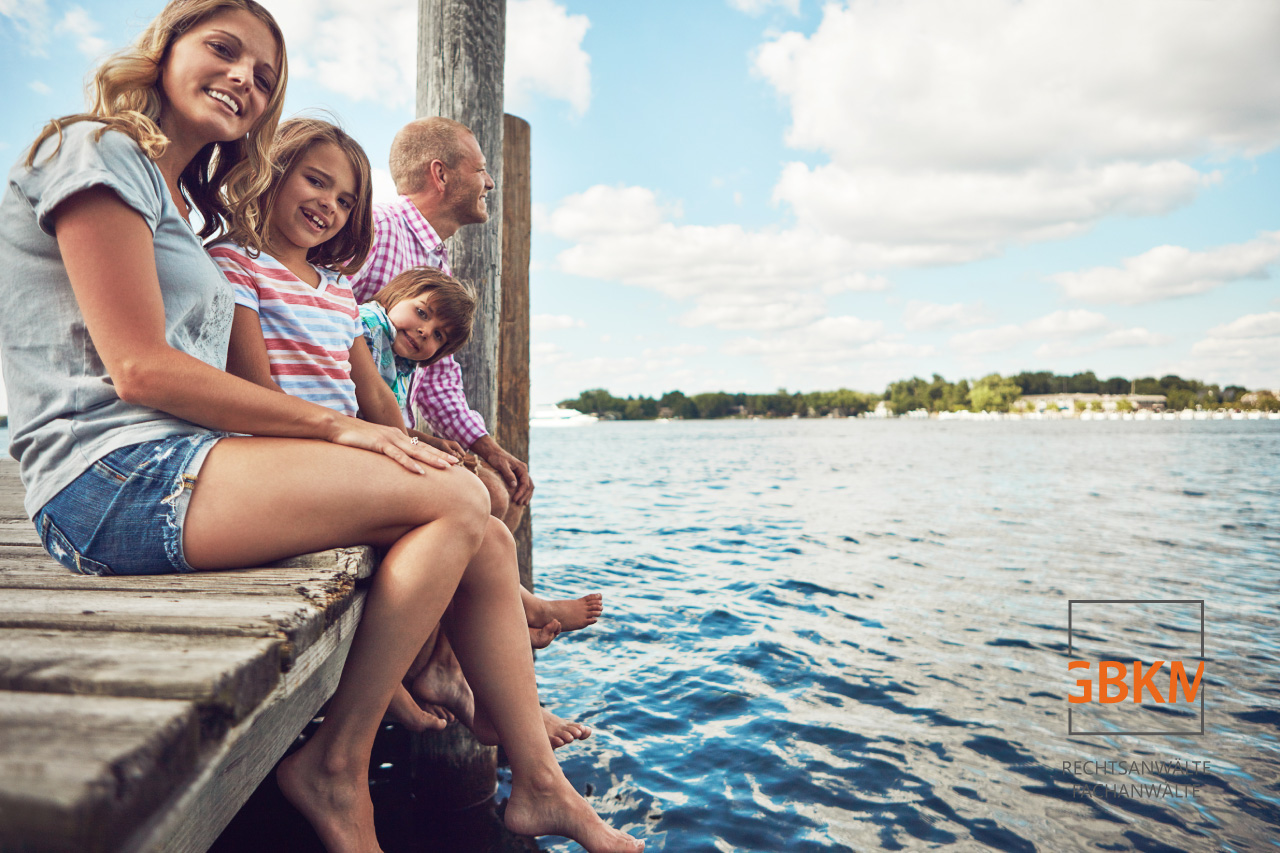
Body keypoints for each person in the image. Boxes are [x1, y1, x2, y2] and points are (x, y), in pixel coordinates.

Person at [0, 3, 643, 852]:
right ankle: (339, 763)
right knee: (454, 497)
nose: (243, 79)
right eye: (222, 50)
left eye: (264, 76)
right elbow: (142, 370)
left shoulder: (166, 200)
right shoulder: (98, 151)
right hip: (106, 482)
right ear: (163, 52)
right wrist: (341, 433)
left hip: (173, 465)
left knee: (484, 532)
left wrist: (383, 430)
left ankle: (537, 782)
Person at [208, 117, 599, 741]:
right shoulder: (355, 239)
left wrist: (463, 445)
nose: (332, 209)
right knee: (477, 502)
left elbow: (386, 383)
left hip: (345, 438)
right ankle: (452, 663)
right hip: (294, 448)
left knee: (487, 500)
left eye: (344, 201)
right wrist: (377, 439)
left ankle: (488, 705)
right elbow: (291, 378)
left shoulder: (343, 287)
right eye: (316, 183)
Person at [350, 117, 532, 528]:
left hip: (393, 432)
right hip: (356, 431)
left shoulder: (434, 261)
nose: (489, 183)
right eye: (481, 169)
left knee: (506, 492)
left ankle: (504, 593)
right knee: (490, 498)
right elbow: (321, 312)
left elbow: (438, 376)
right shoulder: (377, 228)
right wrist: (414, 438)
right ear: (440, 174)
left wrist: (487, 448)